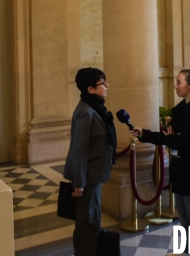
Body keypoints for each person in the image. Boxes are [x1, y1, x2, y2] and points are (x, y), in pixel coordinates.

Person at [130, 69, 190, 256]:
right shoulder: (180, 108)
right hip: (179, 167)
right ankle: (187, 251)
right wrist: (145, 133)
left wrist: (173, 138)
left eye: (179, 82)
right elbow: (168, 135)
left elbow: (186, 141)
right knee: (183, 215)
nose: (175, 85)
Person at [64, 67, 116, 256]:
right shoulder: (86, 112)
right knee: (87, 221)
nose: (107, 85)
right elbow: (79, 149)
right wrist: (79, 182)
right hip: (87, 176)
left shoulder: (96, 107)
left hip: (94, 174)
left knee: (92, 218)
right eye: (103, 83)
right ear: (91, 89)